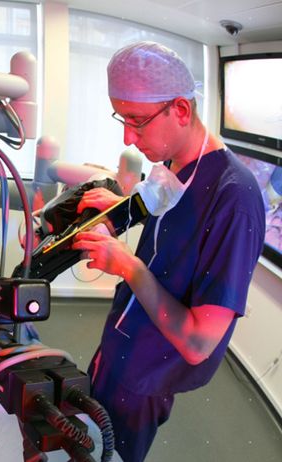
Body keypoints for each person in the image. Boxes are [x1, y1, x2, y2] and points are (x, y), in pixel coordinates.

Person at [71, 42, 265, 461]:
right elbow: (159, 205)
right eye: (122, 119)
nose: (127, 137)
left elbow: (198, 342)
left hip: (145, 374)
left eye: (137, 122)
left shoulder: (234, 199)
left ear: (180, 109)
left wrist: (129, 268)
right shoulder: (177, 163)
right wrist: (120, 209)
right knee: (81, 439)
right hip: (119, 345)